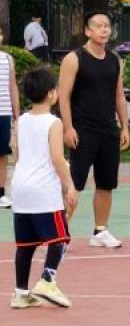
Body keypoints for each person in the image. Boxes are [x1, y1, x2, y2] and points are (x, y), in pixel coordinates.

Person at [57, 11, 130, 247]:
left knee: (106, 184)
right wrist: (68, 128)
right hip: (83, 130)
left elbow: (119, 96)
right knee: (74, 184)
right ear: (88, 31)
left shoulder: (114, 60)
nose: (104, 29)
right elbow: (63, 97)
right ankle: (60, 233)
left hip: (109, 130)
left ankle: (100, 231)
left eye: (107, 25)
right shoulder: (74, 58)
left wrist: (124, 126)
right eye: (98, 26)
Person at [10, 67, 77, 308]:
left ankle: (20, 293)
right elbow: (57, 158)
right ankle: (48, 279)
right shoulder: (54, 122)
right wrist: (68, 185)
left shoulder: (22, 121)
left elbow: (17, 156)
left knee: (25, 245)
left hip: (21, 187)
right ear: (51, 94)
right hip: (43, 190)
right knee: (60, 237)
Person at [0, 27, 20, 209]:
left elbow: (12, 87)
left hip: (3, 112)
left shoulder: (7, 59)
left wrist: (17, 114)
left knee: (2, 154)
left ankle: (0, 193)